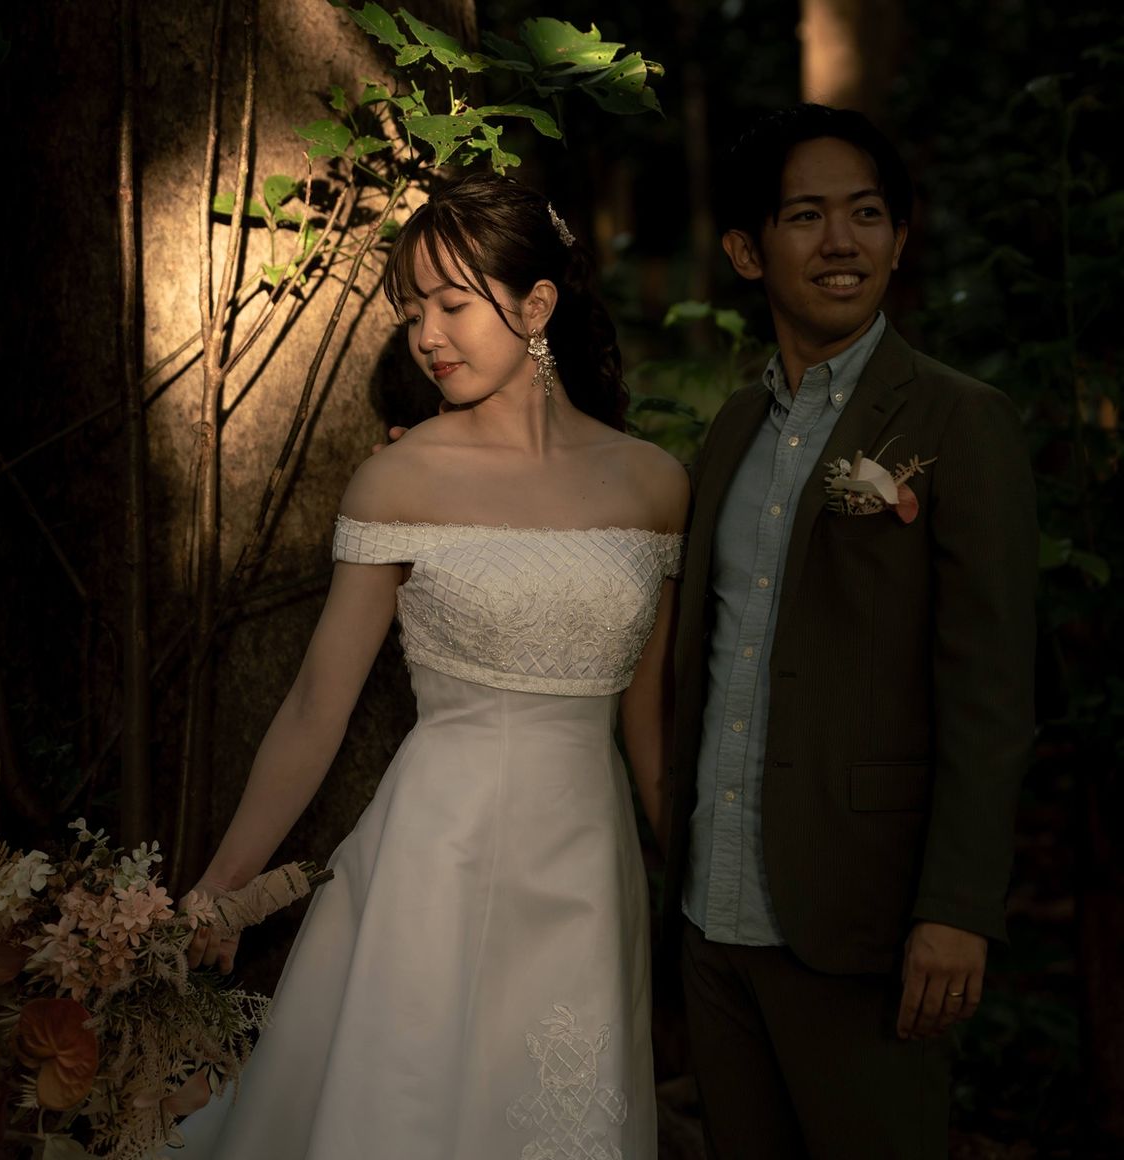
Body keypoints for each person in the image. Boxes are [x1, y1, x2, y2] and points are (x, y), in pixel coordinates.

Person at [170, 173, 688, 1160]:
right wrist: (225, 885)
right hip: (430, 854)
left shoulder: (655, 484)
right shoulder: (397, 479)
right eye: (411, 312)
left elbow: (650, 725)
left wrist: (704, 894)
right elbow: (316, 705)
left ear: (536, 304)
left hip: (588, 865)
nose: (427, 336)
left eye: (452, 303)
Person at [662, 104, 1037, 1158]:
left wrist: (957, 906)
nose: (842, 242)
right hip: (711, 918)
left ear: (899, 238)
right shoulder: (733, 427)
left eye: (867, 214)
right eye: (806, 216)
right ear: (746, 251)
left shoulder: (958, 421)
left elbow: (990, 689)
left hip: (865, 919)